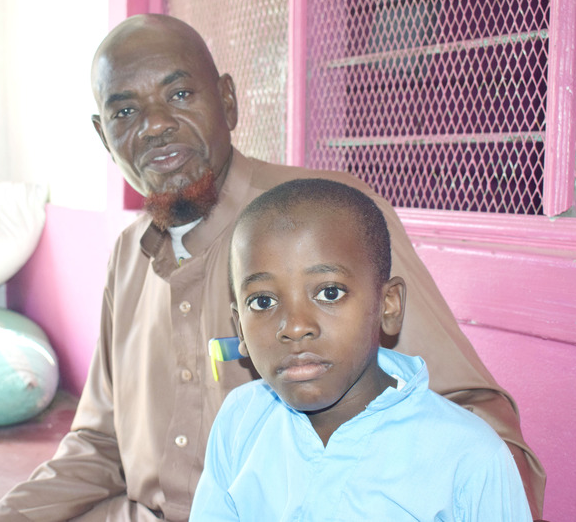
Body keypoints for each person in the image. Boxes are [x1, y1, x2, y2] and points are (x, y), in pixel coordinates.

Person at [0, 13, 545, 521]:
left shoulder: (322, 220)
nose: (153, 125)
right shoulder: (128, 257)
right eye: (125, 110)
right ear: (104, 135)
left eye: (179, 94)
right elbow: (100, 444)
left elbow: (473, 416)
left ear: (227, 101)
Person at [189, 178, 533, 521]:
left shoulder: (468, 457)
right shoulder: (240, 419)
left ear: (388, 305)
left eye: (329, 293)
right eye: (263, 301)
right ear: (240, 328)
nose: (294, 327)